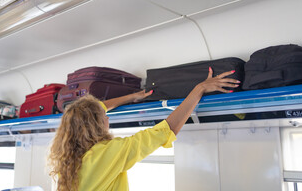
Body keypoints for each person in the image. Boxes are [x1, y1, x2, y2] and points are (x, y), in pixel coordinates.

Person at [48, 68, 239, 191]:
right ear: (93, 126)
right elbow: (165, 130)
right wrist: (199, 89)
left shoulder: (69, 161)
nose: (107, 118)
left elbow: (99, 108)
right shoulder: (106, 153)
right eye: (102, 118)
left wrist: (132, 97)